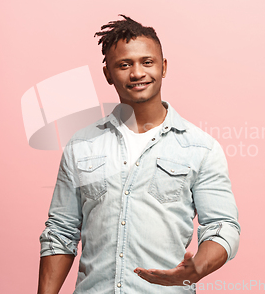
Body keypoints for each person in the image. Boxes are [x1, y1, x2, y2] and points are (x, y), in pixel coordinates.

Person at [37, 15, 240, 294]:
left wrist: (200, 265)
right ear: (108, 73)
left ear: (163, 67)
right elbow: (61, 232)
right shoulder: (81, 145)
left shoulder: (201, 148)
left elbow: (222, 225)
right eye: (124, 65)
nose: (137, 73)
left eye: (147, 62)